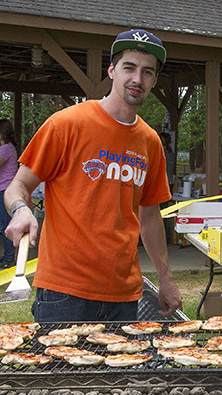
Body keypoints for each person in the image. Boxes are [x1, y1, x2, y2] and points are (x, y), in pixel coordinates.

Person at [4, 29, 183, 322]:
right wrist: (20, 210)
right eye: (129, 67)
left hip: (123, 294)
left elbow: (149, 216)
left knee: (121, 367)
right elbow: (18, 185)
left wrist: (166, 279)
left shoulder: (150, 142)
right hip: (64, 292)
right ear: (112, 70)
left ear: (153, 80)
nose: (137, 78)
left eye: (147, 72)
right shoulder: (66, 125)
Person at [0, 119, 18, 269]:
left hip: (5, 190)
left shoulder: (5, 148)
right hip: (4, 189)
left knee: (5, 225)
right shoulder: (6, 147)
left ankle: (8, 259)